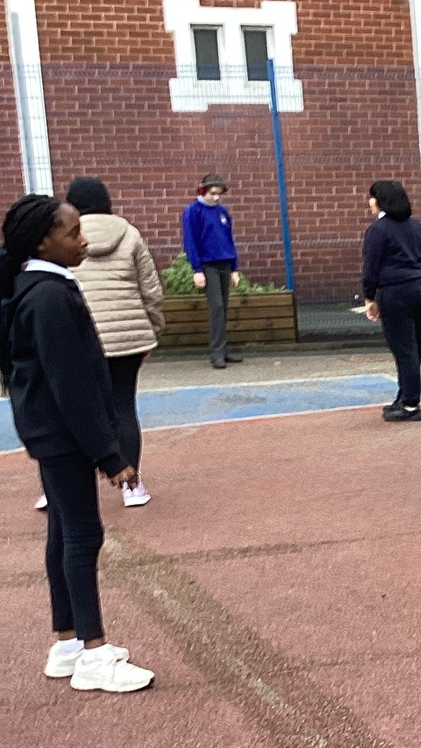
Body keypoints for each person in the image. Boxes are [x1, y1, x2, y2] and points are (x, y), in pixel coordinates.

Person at [0, 194, 155, 692]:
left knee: (63, 532)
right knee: (84, 536)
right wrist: (110, 455)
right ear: (43, 241)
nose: (83, 241)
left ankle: (67, 644)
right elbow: (71, 383)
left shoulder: (39, 287)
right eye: (73, 234)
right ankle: (93, 653)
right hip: (62, 434)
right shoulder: (48, 297)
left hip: (49, 431)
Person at [67, 176, 164, 508]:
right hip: (128, 336)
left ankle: (63, 487)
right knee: (123, 407)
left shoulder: (64, 237)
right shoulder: (130, 234)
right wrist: (153, 330)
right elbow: (150, 289)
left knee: (75, 410)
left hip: (80, 338)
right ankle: (132, 486)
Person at [361, 180, 421, 421]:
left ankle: (410, 405)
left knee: (403, 349)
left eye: (372, 197)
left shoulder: (378, 230)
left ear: (381, 201)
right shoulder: (414, 226)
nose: (370, 202)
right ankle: (404, 396)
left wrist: (369, 297)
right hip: (419, 287)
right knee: (413, 348)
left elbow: (371, 267)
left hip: (395, 291)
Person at [180, 171, 242, 370]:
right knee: (216, 307)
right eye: (212, 193)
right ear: (203, 191)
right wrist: (197, 269)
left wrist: (234, 268)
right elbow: (190, 241)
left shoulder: (222, 212)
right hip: (208, 265)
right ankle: (217, 353)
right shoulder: (193, 211)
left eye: (218, 194)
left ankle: (222, 350)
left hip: (224, 263)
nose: (216, 198)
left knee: (223, 308)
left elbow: (229, 240)